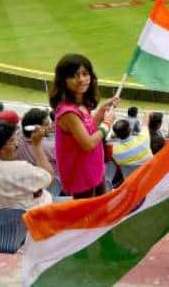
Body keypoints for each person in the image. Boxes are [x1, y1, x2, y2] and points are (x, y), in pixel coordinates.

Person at [50, 54, 118, 199]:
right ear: (63, 80)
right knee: (88, 217)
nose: (81, 79)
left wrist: (100, 113)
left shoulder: (80, 104)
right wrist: (107, 123)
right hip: (80, 174)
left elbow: (87, 128)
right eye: (74, 76)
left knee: (101, 208)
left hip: (94, 167)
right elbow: (87, 143)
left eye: (85, 74)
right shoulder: (67, 111)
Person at [16, 108, 57, 173]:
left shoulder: (18, 137)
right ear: (35, 127)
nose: (50, 126)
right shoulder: (50, 147)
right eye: (46, 124)